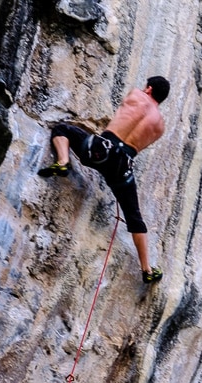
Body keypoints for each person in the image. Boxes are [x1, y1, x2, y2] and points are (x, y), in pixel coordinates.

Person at [38, 76, 170, 283]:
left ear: (149, 88)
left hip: (101, 149)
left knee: (62, 129)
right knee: (135, 218)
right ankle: (147, 269)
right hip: (122, 166)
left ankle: (63, 161)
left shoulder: (137, 95)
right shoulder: (160, 126)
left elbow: (124, 114)